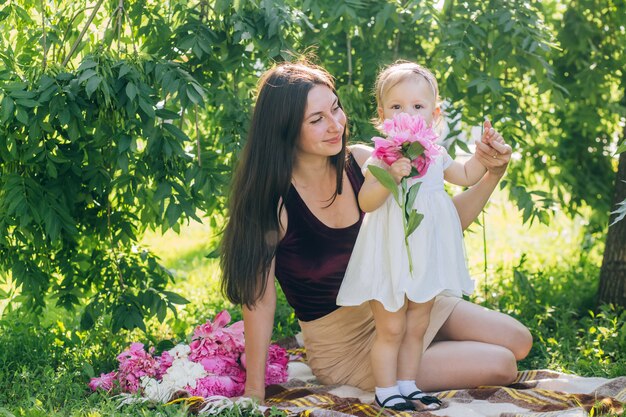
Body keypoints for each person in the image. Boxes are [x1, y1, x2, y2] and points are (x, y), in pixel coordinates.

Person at [219, 59, 532, 405]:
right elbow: (259, 300)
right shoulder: (273, 204)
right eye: (317, 119)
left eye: (336, 109)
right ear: (285, 129)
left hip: (404, 298)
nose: (335, 125)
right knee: (502, 363)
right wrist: (254, 391)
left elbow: (436, 224)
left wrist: (492, 174)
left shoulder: (366, 161)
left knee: (519, 340)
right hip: (348, 343)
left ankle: (431, 351)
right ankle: (422, 364)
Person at [336, 61, 494, 411]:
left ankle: (409, 384)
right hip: (390, 256)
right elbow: (367, 201)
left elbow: (466, 174)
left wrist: (484, 156)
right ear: (381, 114)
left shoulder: (436, 152)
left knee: (417, 325)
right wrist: (391, 174)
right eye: (396, 106)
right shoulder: (381, 155)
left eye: (418, 106)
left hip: (424, 255)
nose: (407, 112)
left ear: (434, 113)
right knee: (391, 328)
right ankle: (385, 388)